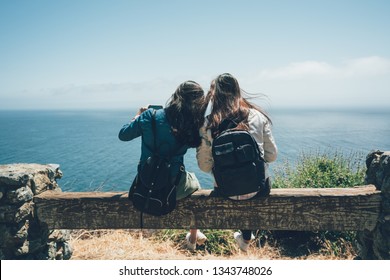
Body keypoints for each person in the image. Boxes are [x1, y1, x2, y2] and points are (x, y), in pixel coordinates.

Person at [118, 81, 207, 251]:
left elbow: (123, 135)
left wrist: (138, 116)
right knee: (195, 181)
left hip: (144, 182)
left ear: (175, 96)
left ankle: (194, 237)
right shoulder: (192, 125)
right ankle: (193, 236)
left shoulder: (149, 116)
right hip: (173, 185)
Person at [196, 73, 278, 252]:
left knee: (235, 184)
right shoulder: (257, 116)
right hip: (259, 190)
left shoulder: (208, 124)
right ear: (237, 91)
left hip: (226, 191)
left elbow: (205, 166)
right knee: (252, 180)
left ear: (214, 95)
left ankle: (244, 238)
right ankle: (246, 238)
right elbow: (271, 156)